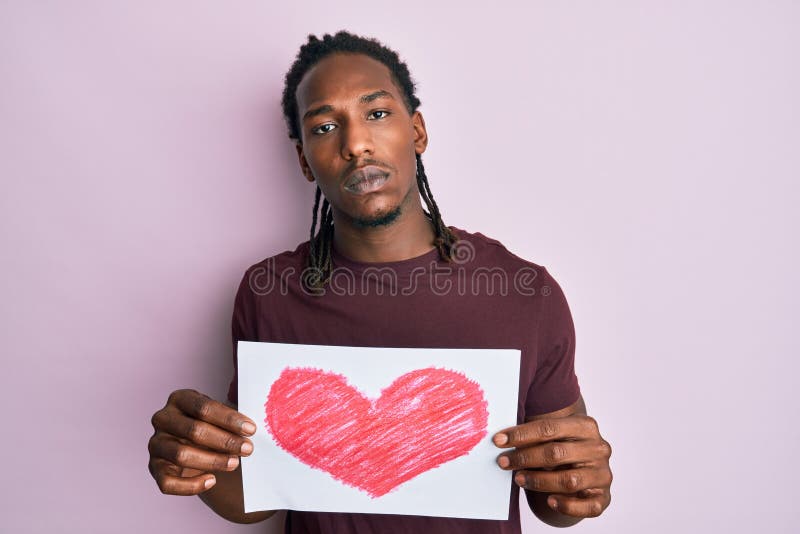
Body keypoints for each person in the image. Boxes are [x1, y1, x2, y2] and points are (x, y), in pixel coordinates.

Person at [148, 31, 612, 533]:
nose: (356, 144)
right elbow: (255, 495)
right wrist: (194, 463)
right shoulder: (269, 292)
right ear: (304, 159)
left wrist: (581, 484)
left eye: (376, 113)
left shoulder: (525, 293)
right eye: (325, 126)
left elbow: (556, 497)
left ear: (416, 132)